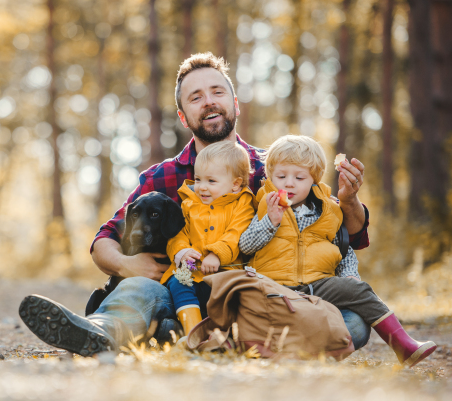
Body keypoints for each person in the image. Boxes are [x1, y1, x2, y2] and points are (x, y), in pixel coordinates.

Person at [19, 52, 372, 357]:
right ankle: (99, 331)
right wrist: (127, 264)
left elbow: (346, 236)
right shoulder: (163, 177)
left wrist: (349, 201)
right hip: (184, 289)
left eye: (217, 92)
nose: (209, 101)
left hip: (258, 298)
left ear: (234, 104)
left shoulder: (277, 168)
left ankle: (188, 336)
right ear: (183, 116)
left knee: (354, 323)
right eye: (196, 97)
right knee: (139, 289)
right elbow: (103, 241)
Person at [238, 135, 436, 366]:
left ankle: (403, 344)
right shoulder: (264, 205)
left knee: (357, 289)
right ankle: (292, 353)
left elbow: (344, 252)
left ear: (314, 179)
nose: (289, 183)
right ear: (270, 176)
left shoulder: (329, 211)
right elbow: (246, 245)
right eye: (281, 176)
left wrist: (349, 276)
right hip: (277, 288)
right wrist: (270, 222)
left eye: (299, 177)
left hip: (318, 286)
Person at [163, 141, 255, 337]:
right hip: (192, 273)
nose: (202, 187)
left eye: (211, 181)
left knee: (239, 294)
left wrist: (217, 254)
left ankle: (225, 335)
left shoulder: (242, 204)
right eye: (198, 179)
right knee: (178, 284)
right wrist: (181, 251)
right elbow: (178, 233)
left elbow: (236, 233)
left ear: (235, 184)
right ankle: (192, 334)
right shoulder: (189, 204)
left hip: (225, 273)